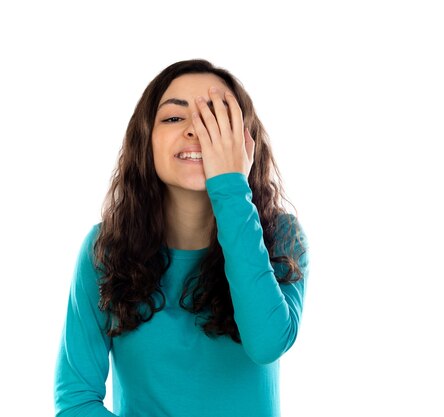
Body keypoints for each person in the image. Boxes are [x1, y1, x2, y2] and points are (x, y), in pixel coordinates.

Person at [54, 59, 309, 417]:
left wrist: (230, 189)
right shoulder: (104, 250)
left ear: (245, 142)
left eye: (217, 119)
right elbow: (76, 401)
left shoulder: (281, 238)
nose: (196, 131)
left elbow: (267, 343)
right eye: (174, 118)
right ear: (146, 141)